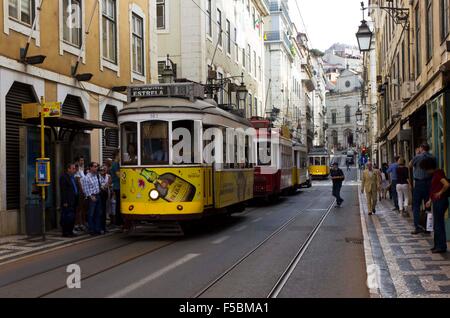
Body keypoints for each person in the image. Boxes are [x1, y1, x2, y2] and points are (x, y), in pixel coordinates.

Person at [422, 158, 450, 254]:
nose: (426, 171)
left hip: (440, 201)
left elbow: (446, 184)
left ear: (429, 167)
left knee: (439, 225)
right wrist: (430, 200)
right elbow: (434, 188)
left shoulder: (438, 173)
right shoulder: (435, 174)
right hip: (437, 201)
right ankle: (437, 245)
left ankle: (441, 246)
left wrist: (440, 193)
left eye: (426, 169)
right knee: (437, 224)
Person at [410, 143, 436, 235]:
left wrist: (417, 154)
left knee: (416, 205)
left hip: (419, 183)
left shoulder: (418, 156)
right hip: (429, 182)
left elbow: (410, 165)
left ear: (421, 148)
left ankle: (417, 227)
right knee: (427, 205)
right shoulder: (432, 157)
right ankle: (428, 227)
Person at [81, 162, 102, 236]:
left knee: (98, 214)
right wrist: (90, 196)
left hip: (98, 195)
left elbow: (100, 184)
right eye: (95, 166)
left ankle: (97, 229)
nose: (96, 168)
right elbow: (85, 189)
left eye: (97, 166)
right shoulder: (86, 178)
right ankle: (92, 230)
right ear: (90, 168)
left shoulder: (97, 176)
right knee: (91, 214)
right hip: (92, 197)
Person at [59, 163, 79, 237]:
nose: (74, 170)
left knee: (72, 217)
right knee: (67, 217)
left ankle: (70, 231)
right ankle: (66, 232)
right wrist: (65, 201)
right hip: (67, 201)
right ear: (68, 169)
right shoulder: (64, 177)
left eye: (75, 168)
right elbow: (63, 191)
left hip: (73, 200)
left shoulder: (72, 177)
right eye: (73, 168)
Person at [74, 156, 87, 233]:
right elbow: (78, 181)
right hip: (80, 192)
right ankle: (77, 224)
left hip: (83, 191)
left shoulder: (82, 169)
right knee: (78, 209)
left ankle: (81, 223)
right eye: (81, 160)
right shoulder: (77, 169)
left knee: (82, 208)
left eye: (83, 160)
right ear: (78, 161)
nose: (82, 162)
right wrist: (82, 191)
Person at [111, 150, 123, 227]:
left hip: (118, 186)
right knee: (118, 204)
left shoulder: (117, 164)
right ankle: (118, 221)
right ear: (116, 155)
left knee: (119, 203)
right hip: (117, 186)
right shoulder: (115, 164)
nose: (120, 156)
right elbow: (119, 175)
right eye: (119, 154)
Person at [98, 165, 112, 234]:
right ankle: (100, 228)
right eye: (101, 170)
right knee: (100, 212)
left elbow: (109, 183)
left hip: (106, 195)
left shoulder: (108, 176)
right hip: (100, 195)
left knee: (105, 212)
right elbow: (99, 186)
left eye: (104, 170)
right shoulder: (98, 176)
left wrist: (106, 186)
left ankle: (104, 227)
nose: (103, 171)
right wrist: (103, 186)